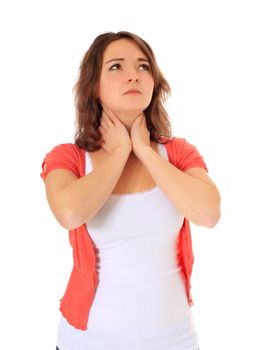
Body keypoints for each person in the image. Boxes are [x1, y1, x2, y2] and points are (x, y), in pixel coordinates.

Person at [40, 31, 221, 350]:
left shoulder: (177, 154)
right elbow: (69, 213)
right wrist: (121, 151)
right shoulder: (69, 158)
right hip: (87, 342)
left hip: (174, 341)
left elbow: (208, 213)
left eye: (143, 66)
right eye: (116, 67)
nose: (133, 76)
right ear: (93, 85)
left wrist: (146, 151)